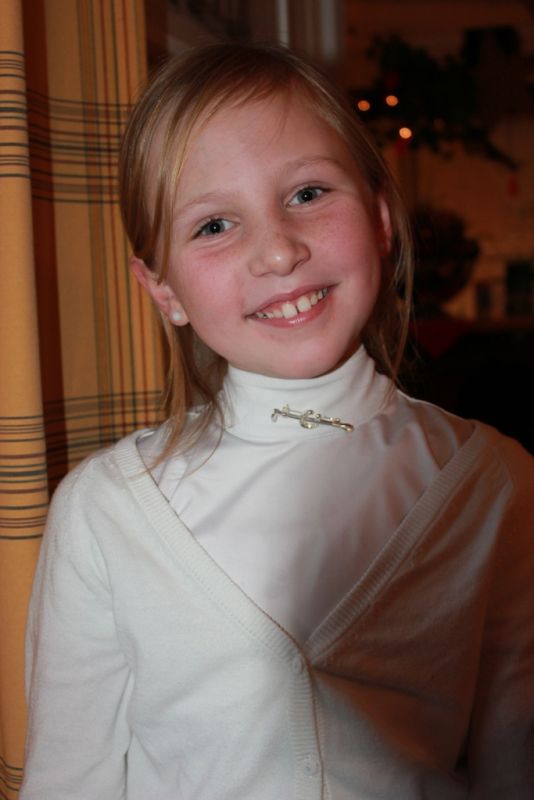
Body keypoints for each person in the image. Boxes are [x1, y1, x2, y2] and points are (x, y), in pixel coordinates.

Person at [21, 42, 534, 800]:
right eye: (214, 225)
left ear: (381, 219)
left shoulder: (498, 484)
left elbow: (513, 760)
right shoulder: (105, 513)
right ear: (163, 290)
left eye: (308, 193)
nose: (278, 251)